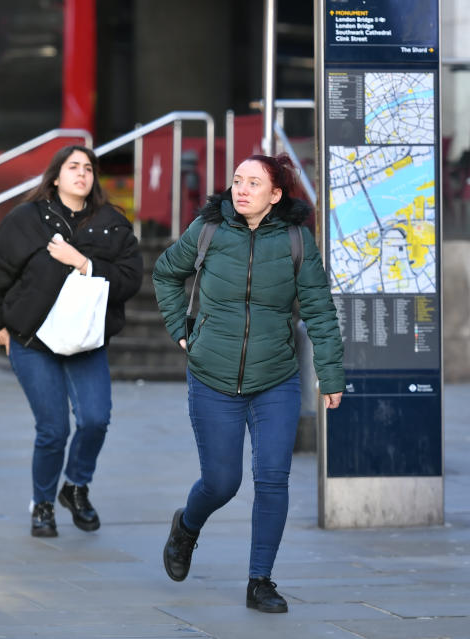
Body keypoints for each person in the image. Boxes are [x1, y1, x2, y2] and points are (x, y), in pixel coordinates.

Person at [152, 154, 345, 613]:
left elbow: (318, 308)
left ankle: (261, 581)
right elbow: (165, 273)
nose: (241, 189)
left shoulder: (298, 241)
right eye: (237, 180)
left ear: (275, 195)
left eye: (253, 183)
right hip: (212, 377)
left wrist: (331, 373)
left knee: (273, 478)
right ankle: (187, 528)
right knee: (221, 482)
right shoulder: (208, 231)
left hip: (275, 379)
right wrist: (183, 331)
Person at [0, 145, 143, 538]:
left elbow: (130, 280)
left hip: (86, 340)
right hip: (32, 341)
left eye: (88, 168)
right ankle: (43, 505)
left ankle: (76, 487)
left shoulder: (112, 224)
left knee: (96, 419)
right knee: (53, 430)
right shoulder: (27, 219)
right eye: (73, 167)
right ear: (55, 176)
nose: (82, 174)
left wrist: (83, 263)